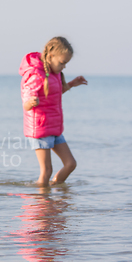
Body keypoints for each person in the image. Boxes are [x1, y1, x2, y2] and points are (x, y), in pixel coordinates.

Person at [20, 37, 87, 186]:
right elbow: (26, 104)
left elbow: (52, 93)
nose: (63, 67)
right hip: (40, 128)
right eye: (62, 63)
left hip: (54, 127)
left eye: (66, 64)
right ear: (50, 56)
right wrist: (31, 102)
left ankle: (53, 193)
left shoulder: (54, 72)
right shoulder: (35, 74)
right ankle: (43, 204)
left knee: (70, 164)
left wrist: (71, 84)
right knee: (47, 170)